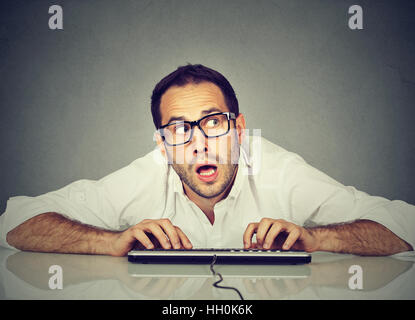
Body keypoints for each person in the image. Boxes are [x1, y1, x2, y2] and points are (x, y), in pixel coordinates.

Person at [1, 64, 414, 257]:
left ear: (238, 130)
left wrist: (319, 238)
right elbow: (16, 224)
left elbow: (404, 226)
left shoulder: (279, 171)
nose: (198, 143)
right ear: (163, 145)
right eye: (180, 129)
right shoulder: (148, 173)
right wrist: (109, 243)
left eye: (213, 122)